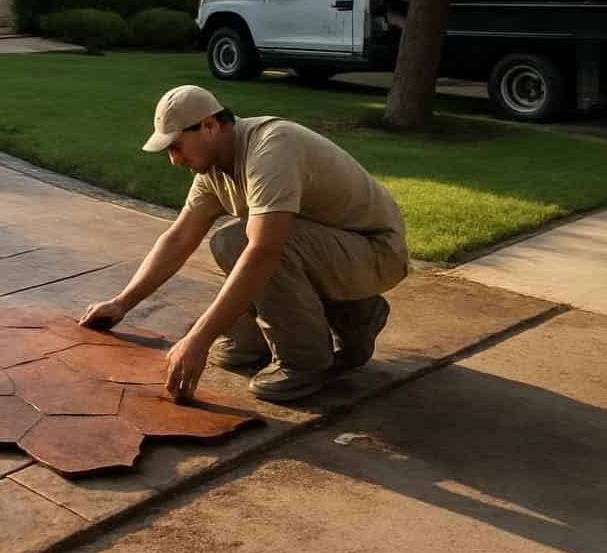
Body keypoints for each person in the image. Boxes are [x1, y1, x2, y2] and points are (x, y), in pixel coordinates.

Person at [80, 85, 409, 403]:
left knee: (255, 242)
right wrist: (121, 303)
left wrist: (198, 340)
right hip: (336, 252)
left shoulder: (271, 149)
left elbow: (264, 252)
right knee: (228, 242)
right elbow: (179, 238)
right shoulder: (214, 169)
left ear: (209, 126)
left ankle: (307, 358)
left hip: (376, 251)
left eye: (176, 146)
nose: (174, 160)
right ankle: (286, 331)